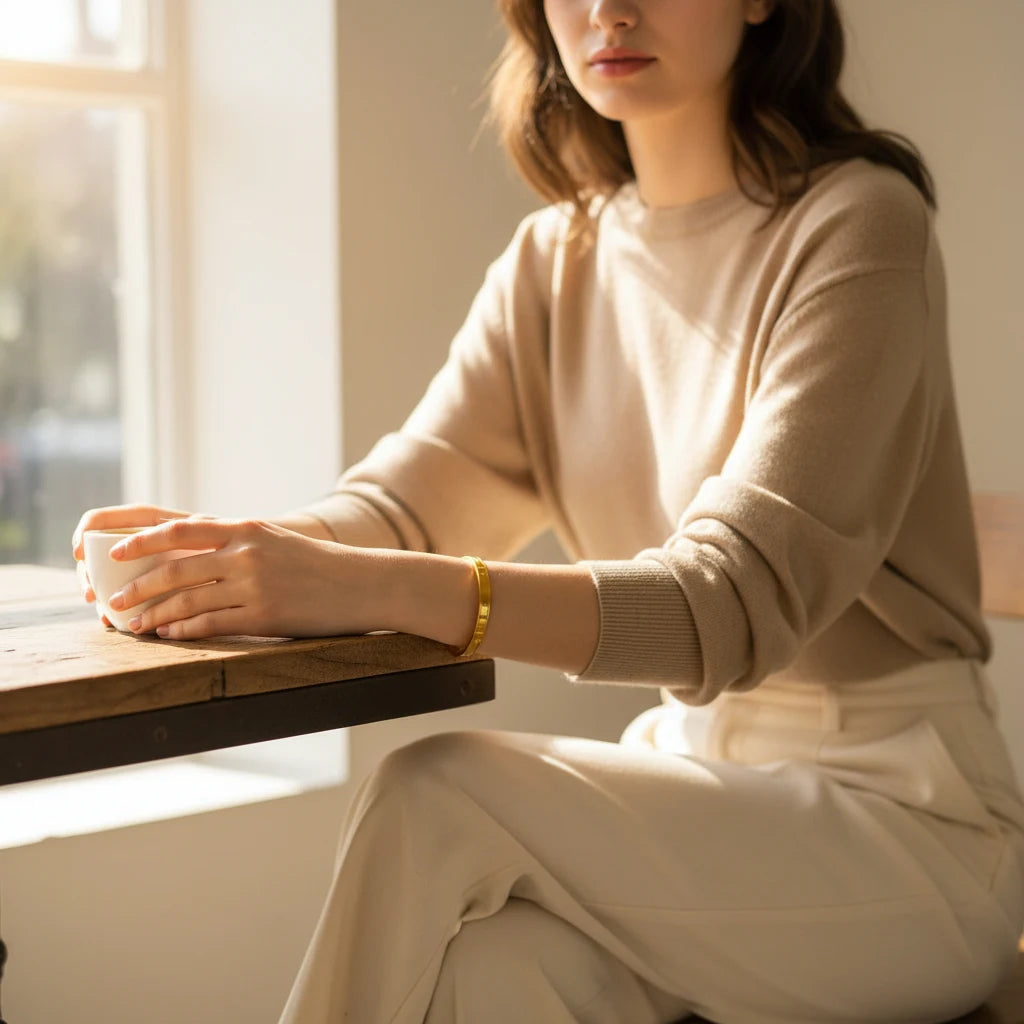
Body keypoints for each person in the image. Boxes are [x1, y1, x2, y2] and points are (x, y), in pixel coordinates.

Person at [72, 0, 1024, 1020]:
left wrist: (368, 586)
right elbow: (406, 506)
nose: (609, 9)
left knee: (439, 793)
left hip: (904, 821)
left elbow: (725, 604)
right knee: (495, 969)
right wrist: (222, 554)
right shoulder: (557, 260)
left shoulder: (858, 222)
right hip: (702, 785)